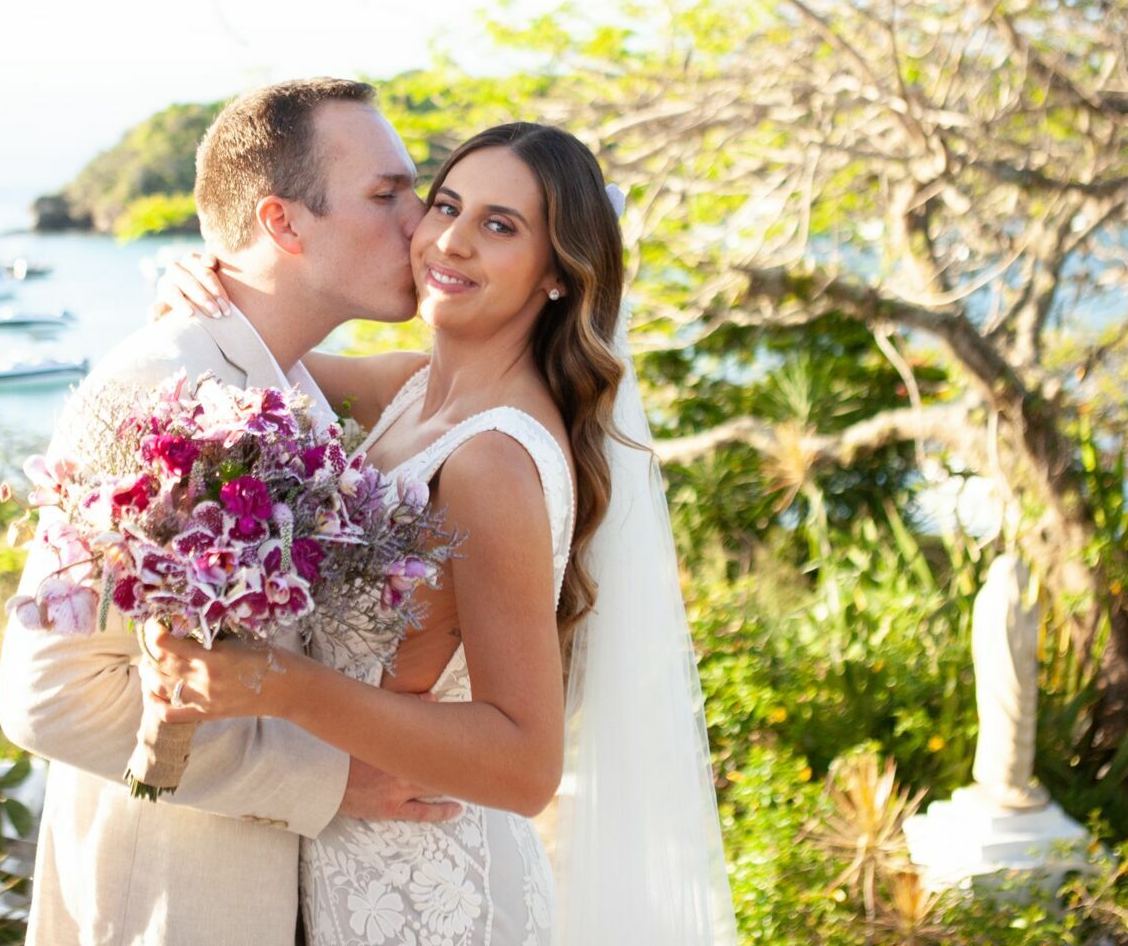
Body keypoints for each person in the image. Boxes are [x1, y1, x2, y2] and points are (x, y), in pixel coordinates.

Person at [146, 122, 738, 944]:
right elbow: (251, 352)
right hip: (340, 871)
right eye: (446, 205)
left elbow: (525, 765)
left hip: (436, 898)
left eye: (500, 226)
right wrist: (200, 282)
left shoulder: (493, 461)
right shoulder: (409, 390)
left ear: (559, 275)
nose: (450, 242)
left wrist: (274, 684)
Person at [0, 77, 464, 946]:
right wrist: (325, 779)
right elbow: (47, 696)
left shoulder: (293, 383)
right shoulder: (151, 388)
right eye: (386, 194)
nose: (422, 224)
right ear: (284, 223)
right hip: (174, 907)